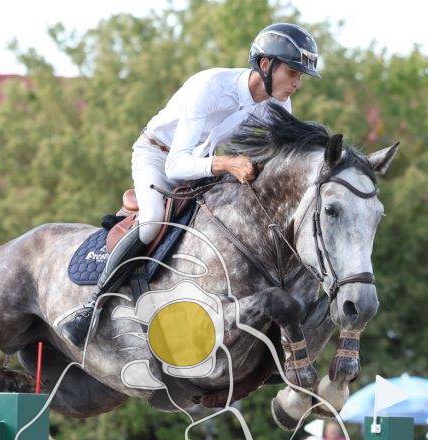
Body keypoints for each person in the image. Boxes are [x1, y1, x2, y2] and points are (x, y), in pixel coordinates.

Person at [56, 23, 322, 347]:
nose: (297, 83)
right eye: (292, 72)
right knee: (152, 222)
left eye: (300, 76)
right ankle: (93, 306)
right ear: (266, 65)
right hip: (158, 156)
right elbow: (175, 165)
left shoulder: (277, 106)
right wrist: (226, 163)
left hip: (203, 165)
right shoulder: (211, 87)